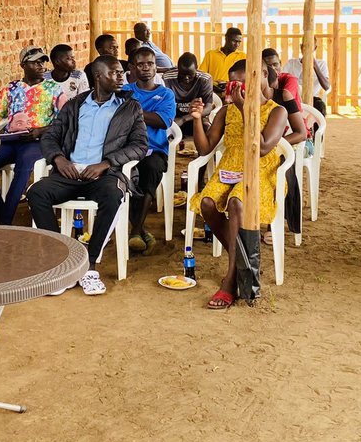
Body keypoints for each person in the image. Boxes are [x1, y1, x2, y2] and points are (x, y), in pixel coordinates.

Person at [27, 56, 147, 295]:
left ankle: (89, 266)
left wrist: (106, 163)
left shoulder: (130, 107)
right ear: (98, 76)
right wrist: (59, 159)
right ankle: (62, 262)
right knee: (36, 193)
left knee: (113, 195)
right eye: (115, 73)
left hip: (104, 174)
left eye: (121, 72)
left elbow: (140, 146)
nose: (121, 77)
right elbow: (51, 136)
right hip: (70, 171)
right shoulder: (74, 105)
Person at [189, 61, 288, 310]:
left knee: (236, 202)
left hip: (260, 170)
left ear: (263, 75)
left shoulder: (277, 111)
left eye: (242, 83)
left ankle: (230, 278)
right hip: (229, 168)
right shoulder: (226, 110)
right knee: (207, 203)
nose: (237, 89)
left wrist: (245, 108)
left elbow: (264, 147)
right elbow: (204, 147)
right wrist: (198, 119)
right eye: (233, 84)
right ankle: (244, 261)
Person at [0, 46, 64, 226]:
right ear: (23, 64)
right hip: (10, 140)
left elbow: (64, 120)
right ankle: (1, 213)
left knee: (24, 164)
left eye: (43, 61)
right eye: (36, 62)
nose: (41, 65)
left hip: (37, 140)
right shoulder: (11, 88)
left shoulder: (54, 89)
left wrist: (41, 131)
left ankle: (4, 222)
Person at [125, 47, 176, 254]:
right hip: (126, 148)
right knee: (119, 175)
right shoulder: (126, 91)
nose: (146, 68)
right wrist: (146, 114)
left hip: (154, 149)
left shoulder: (165, 94)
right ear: (132, 68)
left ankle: (135, 230)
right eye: (141, 64)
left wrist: (133, 110)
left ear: (156, 67)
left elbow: (163, 121)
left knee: (150, 169)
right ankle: (140, 232)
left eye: (150, 64)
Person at [262, 51, 309, 241]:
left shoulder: (285, 95)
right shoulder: (250, 99)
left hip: (285, 144)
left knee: (279, 166)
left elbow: (301, 133)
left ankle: (272, 222)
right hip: (263, 145)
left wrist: (275, 144)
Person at [163, 52, 214, 143]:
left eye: (190, 75)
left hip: (196, 118)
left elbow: (208, 108)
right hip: (174, 117)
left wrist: (184, 119)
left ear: (197, 68)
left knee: (208, 128)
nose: (186, 78)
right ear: (177, 68)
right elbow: (164, 104)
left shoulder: (205, 79)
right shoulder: (168, 78)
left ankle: (203, 154)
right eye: (182, 74)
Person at [281, 41, 331, 116]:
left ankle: (314, 127)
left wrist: (315, 66)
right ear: (301, 47)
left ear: (315, 48)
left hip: (313, 98)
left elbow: (326, 87)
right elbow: (281, 78)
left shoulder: (321, 64)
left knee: (320, 107)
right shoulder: (291, 63)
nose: (307, 49)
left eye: (310, 46)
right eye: (305, 46)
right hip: (293, 98)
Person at [199, 27, 246, 93]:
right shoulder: (211, 54)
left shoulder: (242, 56)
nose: (237, 45)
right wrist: (213, 85)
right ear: (226, 38)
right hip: (213, 93)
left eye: (239, 42)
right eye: (234, 41)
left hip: (233, 95)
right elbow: (202, 76)